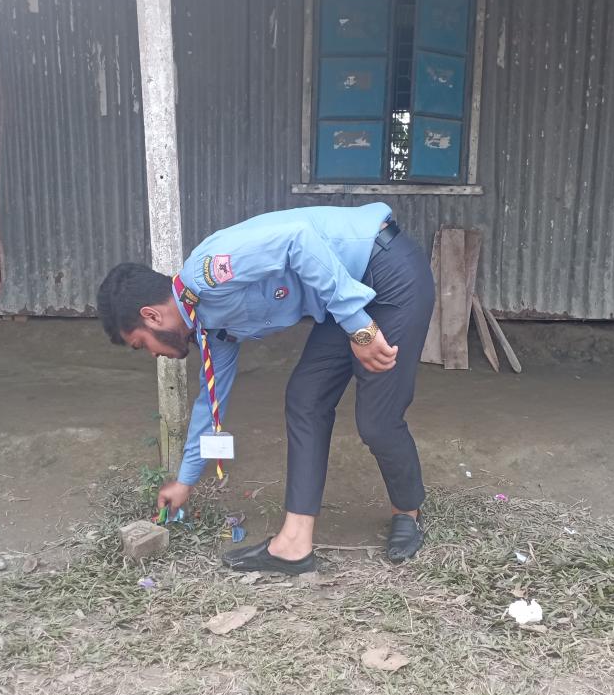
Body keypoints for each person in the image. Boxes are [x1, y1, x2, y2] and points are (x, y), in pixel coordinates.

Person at [97, 203, 435, 574]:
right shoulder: (209, 327)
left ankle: (407, 512)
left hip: (385, 273)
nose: (152, 354)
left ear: (151, 316)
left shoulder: (208, 273)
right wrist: (185, 481)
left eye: (141, 344)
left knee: (377, 420)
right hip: (340, 297)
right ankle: (294, 544)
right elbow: (211, 402)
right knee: (305, 399)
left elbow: (298, 241)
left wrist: (360, 327)